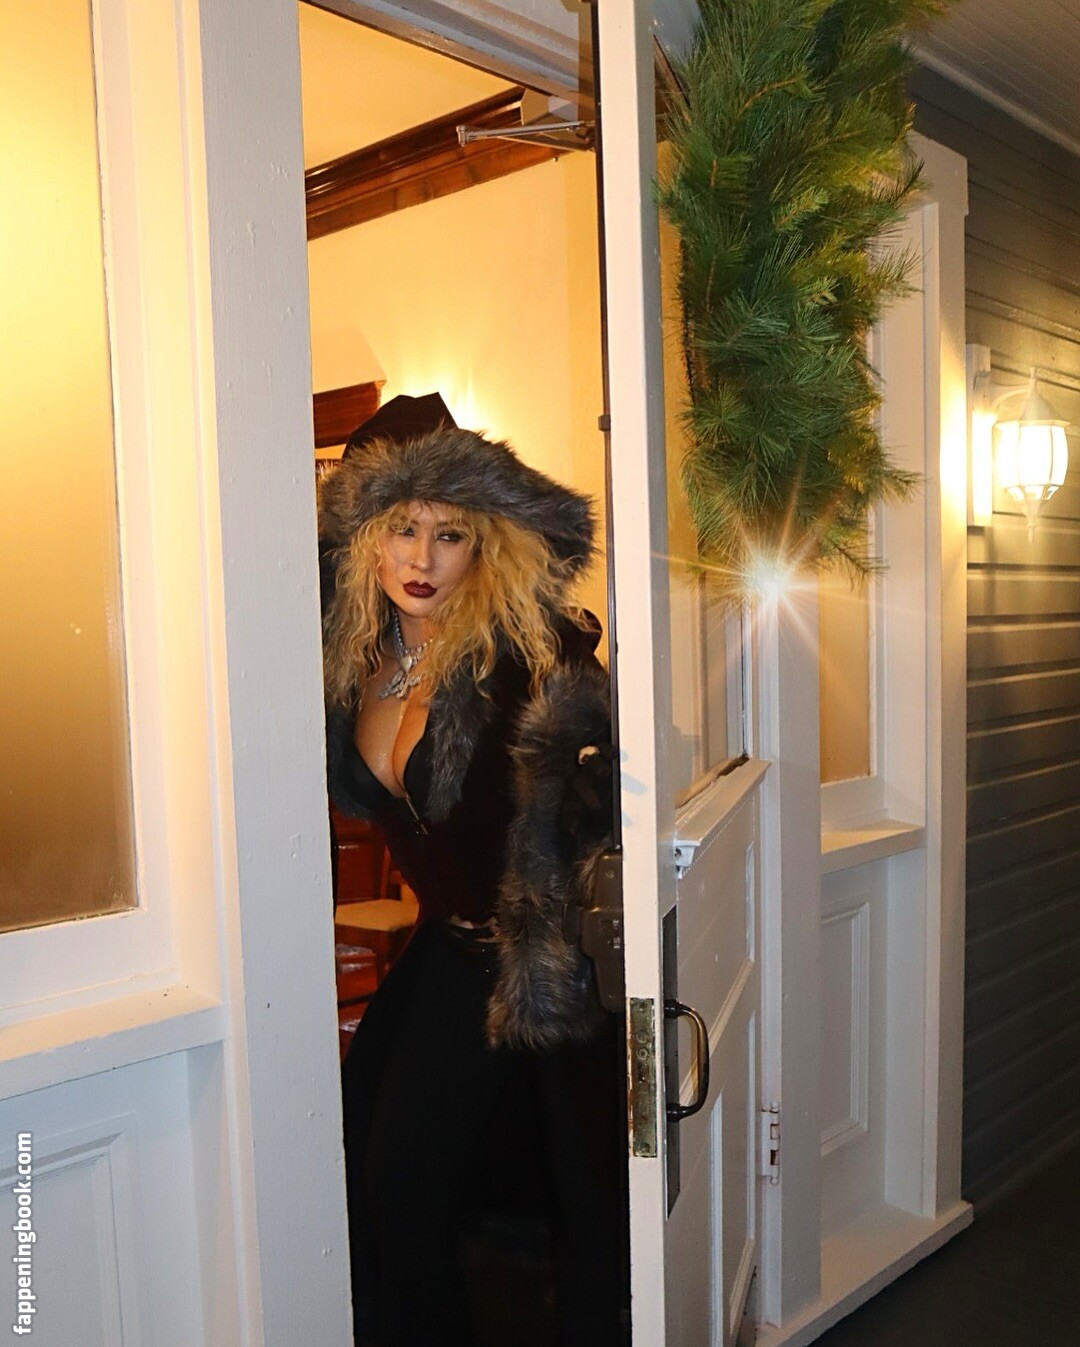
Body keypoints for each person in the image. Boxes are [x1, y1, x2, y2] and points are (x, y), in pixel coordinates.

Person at [318, 399, 627, 1347]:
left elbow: (604, 821)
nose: (421, 558)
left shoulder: (529, 658)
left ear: (483, 541)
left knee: (569, 1209)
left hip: (539, 963)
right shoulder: (351, 659)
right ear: (365, 539)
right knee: (372, 1163)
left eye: (448, 533)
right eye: (401, 528)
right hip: (446, 953)